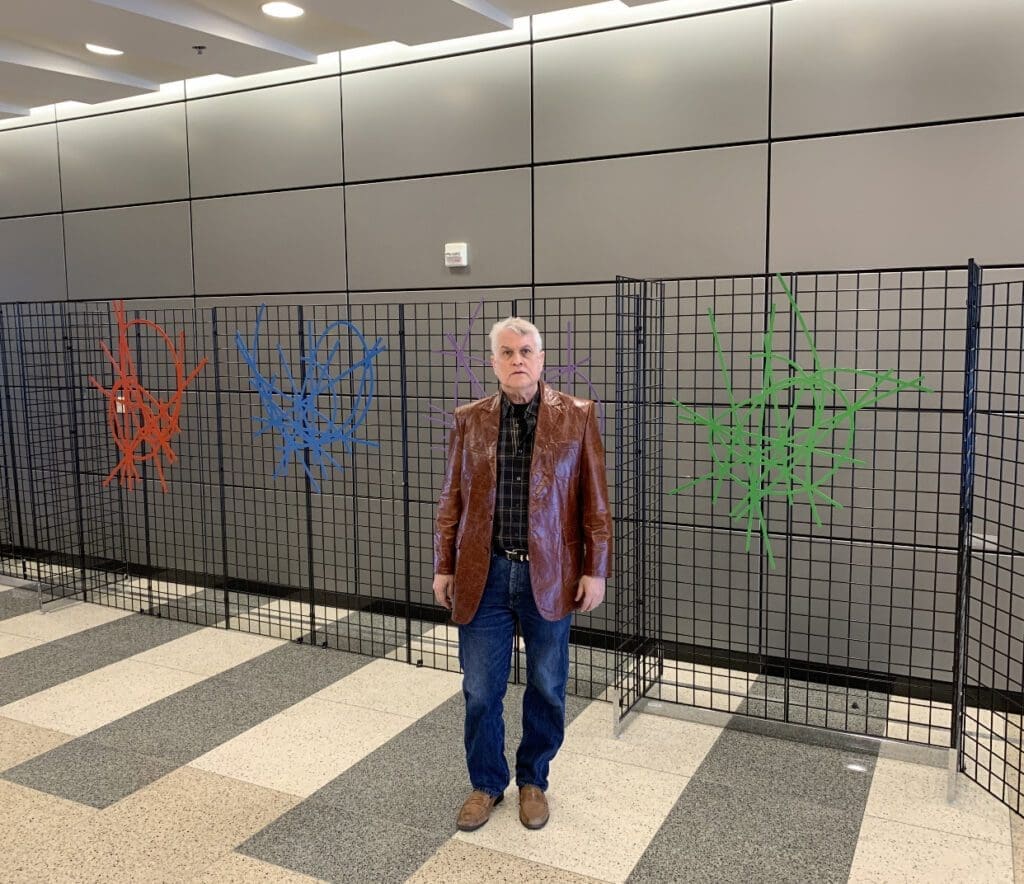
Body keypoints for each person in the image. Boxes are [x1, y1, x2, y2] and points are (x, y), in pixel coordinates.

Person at [433, 316, 612, 832]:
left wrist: (595, 570)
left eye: (526, 351)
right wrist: (443, 563)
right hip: (483, 575)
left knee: (548, 686)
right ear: (493, 362)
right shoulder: (468, 420)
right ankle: (487, 783)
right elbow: (452, 499)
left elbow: (595, 503)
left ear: (541, 358)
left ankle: (534, 779)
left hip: (551, 576)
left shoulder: (577, 416)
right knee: (482, 690)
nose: (517, 360)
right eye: (507, 352)